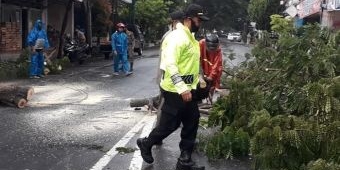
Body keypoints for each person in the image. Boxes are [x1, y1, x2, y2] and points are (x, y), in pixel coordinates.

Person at [137, 3, 209, 167]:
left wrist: (200, 79)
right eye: (199, 20)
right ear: (189, 20)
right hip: (173, 89)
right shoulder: (176, 37)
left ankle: (185, 159)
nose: (201, 23)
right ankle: (146, 143)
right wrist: (182, 87)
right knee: (170, 124)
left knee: (192, 120)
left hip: (189, 89)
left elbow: (191, 64)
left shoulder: (191, 39)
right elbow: (170, 63)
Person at [199, 33, 223, 102]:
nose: (211, 51)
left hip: (211, 69)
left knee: (214, 83)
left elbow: (217, 65)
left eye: (213, 49)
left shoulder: (218, 50)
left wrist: (211, 76)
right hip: (202, 67)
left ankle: (211, 98)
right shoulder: (200, 44)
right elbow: (196, 60)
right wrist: (201, 75)